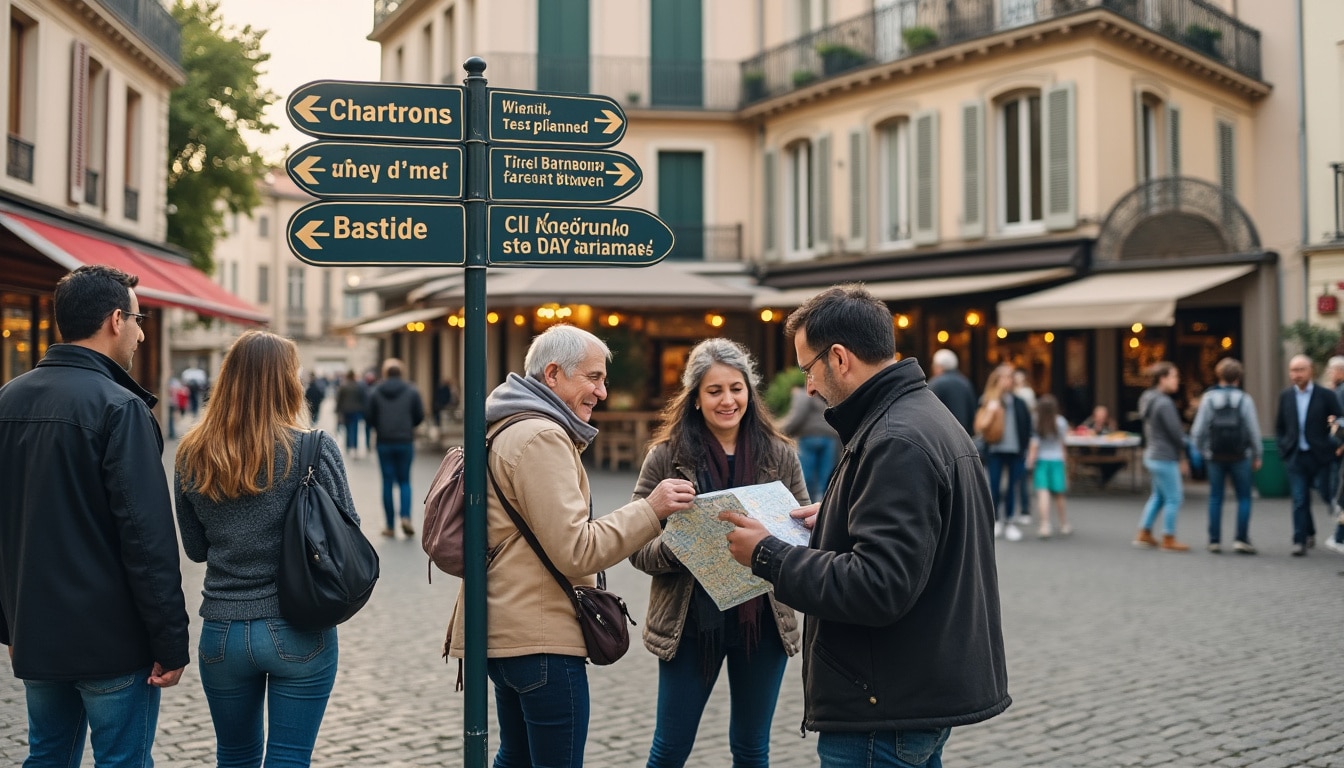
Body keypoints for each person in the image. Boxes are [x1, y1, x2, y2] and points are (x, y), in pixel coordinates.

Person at [719, 285, 1010, 768]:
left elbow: (878, 586)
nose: (809, 386)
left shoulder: (895, 438)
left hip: (884, 704)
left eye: (809, 368)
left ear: (839, 357)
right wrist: (835, 516)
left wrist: (769, 554)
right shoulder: (920, 415)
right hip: (912, 692)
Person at [445, 324, 696, 768]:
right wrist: (651, 509)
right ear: (554, 374)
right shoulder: (541, 437)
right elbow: (576, 549)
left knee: (515, 758)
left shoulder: (505, 424)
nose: (602, 391)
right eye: (593, 377)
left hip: (508, 632)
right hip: (541, 638)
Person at [0, 264, 190, 766]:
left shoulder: (7, 400)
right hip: (112, 640)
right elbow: (148, 540)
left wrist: (11, 626)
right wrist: (170, 642)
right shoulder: (120, 408)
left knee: (47, 756)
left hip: (37, 631)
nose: (142, 332)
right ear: (114, 320)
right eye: (138, 319)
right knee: (122, 761)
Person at [175, 330, 355, 767]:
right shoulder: (313, 447)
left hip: (222, 631)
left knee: (234, 756)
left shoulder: (192, 452)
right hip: (298, 627)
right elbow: (347, 532)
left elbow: (196, 549)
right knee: (289, 759)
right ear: (288, 383)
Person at [629, 338, 809, 768]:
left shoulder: (780, 454)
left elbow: (805, 536)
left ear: (750, 390)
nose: (728, 400)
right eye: (714, 391)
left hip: (762, 623)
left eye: (736, 388)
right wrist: (686, 546)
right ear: (695, 398)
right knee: (669, 749)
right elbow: (634, 546)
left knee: (751, 749)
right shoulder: (665, 457)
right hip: (690, 624)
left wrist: (778, 538)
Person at [1190, 358, 1262, 555]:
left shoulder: (1209, 398)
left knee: (1215, 497)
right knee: (1244, 497)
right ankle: (1241, 539)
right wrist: (1257, 453)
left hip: (1215, 455)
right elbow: (1253, 430)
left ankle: (1214, 540)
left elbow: (1198, 430)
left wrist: (1200, 451)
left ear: (1218, 375)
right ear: (1238, 377)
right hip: (1240, 455)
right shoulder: (1244, 399)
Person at [1275, 354, 1342, 556]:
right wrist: (1283, 447)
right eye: (1293, 370)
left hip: (1321, 456)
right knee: (1299, 499)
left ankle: (1319, 531)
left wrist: (1337, 443)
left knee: (1326, 493)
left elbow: (1339, 419)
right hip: (1296, 455)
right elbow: (1280, 426)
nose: (1297, 375)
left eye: (1301, 370)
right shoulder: (1286, 396)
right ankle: (1300, 540)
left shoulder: (1326, 395)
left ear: (1310, 371)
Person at [1134, 361, 1190, 552]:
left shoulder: (1147, 399)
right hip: (1165, 455)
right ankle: (1168, 538)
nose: (1177, 380)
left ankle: (1144, 533)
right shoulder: (1165, 403)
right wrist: (1185, 452)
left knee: (1158, 496)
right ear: (1162, 378)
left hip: (1152, 453)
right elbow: (1176, 434)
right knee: (1174, 498)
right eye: (1174, 376)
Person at [366, 358, 425, 538]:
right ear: (402, 372)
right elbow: (419, 415)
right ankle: (406, 517)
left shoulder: (375, 391)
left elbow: (369, 417)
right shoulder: (412, 391)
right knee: (405, 481)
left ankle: (390, 525)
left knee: (387, 483)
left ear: (385, 373)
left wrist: (380, 427)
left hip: (384, 441)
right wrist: (408, 427)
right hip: (405, 440)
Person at [978, 364, 1032, 541]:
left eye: (1009, 377)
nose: (1006, 381)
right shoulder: (988, 400)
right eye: (1003, 377)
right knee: (993, 485)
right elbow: (980, 428)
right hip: (995, 450)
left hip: (1016, 451)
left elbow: (1027, 427)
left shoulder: (1019, 402)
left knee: (1012, 487)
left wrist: (1027, 450)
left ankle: (1009, 521)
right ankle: (996, 520)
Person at [780, 384, 839, 501]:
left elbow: (796, 417)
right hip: (830, 437)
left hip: (809, 438)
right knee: (826, 480)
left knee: (806, 479)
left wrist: (781, 433)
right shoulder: (828, 395)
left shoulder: (802, 394)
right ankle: (824, 511)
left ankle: (808, 508)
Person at [1026, 394, 1070, 538]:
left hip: (1041, 460)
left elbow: (1034, 444)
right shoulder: (1061, 421)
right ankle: (1064, 524)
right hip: (1057, 459)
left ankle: (1045, 525)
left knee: (1042, 492)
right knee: (1059, 493)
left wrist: (1030, 461)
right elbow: (1063, 443)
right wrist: (1065, 461)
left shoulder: (1036, 420)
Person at [927, 348, 978, 435]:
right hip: (964, 436)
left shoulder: (935, 384)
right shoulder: (965, 382)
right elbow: (973, 411)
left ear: (939, 366)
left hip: (942, 437)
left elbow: (928, 414)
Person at [336, 369, 367, 458]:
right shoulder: (359, 386)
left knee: (348, 429)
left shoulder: (343, 386)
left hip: (346, 410)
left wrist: (338, 411)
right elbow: (363, 399)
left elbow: (339, 400)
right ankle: (354, 447)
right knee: (355, 429)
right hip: (356, 410)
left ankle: (348, 446)